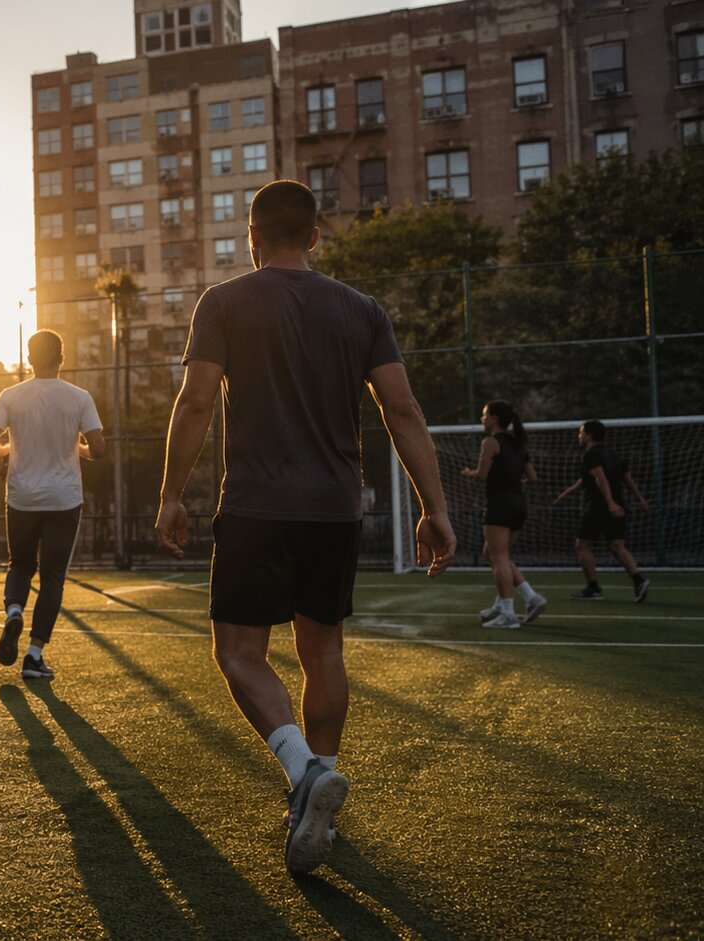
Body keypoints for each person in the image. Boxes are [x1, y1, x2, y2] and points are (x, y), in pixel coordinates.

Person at [154, 180, 455, 875]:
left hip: (258, 506)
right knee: (323, 654)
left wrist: (171, 493)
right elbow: (402, 409)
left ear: (251, 236)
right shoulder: (363, 310)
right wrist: (435, 506)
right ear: (315, 236)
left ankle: (302, 772)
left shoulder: (223, 301)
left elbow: (197, 398)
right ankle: (318, 783)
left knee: (238, 653)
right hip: (334, 508)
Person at [0, 330, 105, 681]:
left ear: (30, 359)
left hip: (21, 497)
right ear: (62, 358)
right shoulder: (79, 398)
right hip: (64, 500)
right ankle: (34, 656)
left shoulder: (11, 395)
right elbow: (98, 448)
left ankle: (14, 611)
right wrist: (76, 448)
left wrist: (7, 452)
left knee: (19, 565)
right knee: (52, 578)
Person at [460, 400, 546, 628]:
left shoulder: (491, 442)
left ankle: (508, 614)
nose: (482, 419)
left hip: (500, 503)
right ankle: (528, 597)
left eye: (485, 415)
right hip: (519, 504)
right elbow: (533, 478)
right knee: (494, 554)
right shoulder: (518, 443)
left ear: (495, 418)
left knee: (499, 558)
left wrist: (470, 473)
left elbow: (482, 476)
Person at [553, 420, 650, 601]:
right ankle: (639, 581)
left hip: (600, 506)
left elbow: (600, 478)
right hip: (619, 504)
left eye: (581, 433)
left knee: (582, 546)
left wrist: (609, 502)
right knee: (617, 546)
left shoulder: (591, 454)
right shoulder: (613, 454)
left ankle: (593, 588)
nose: (579, 436)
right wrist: (639, 499)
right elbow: (625, 479)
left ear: (589, 435)